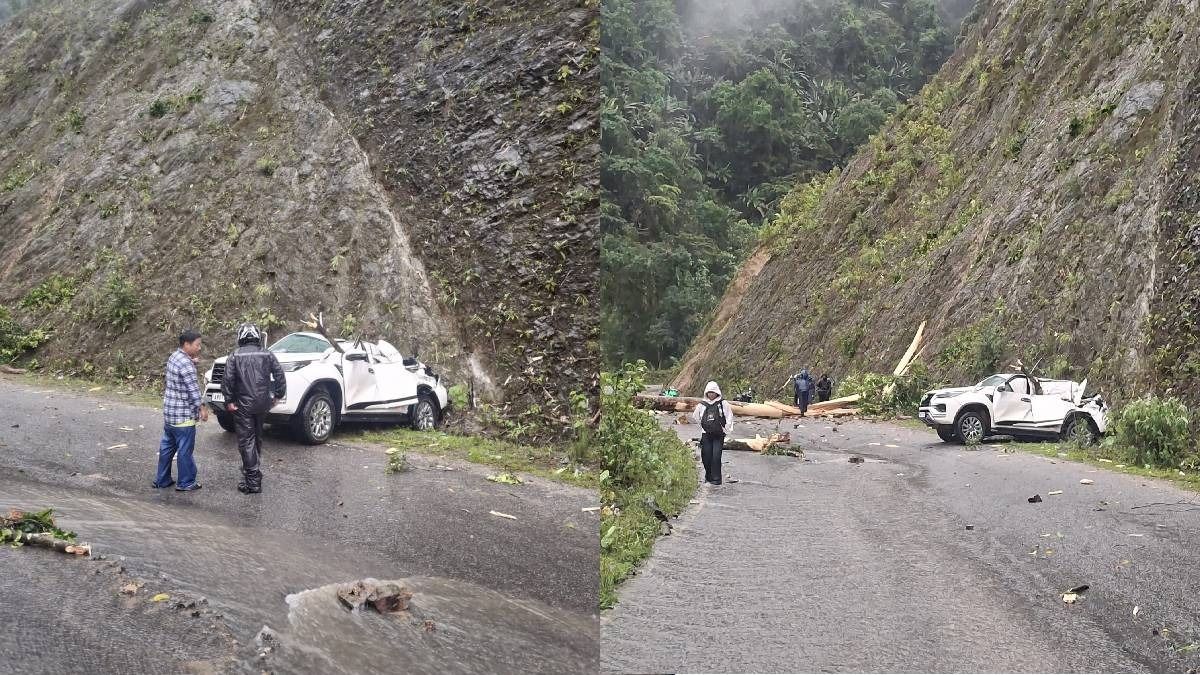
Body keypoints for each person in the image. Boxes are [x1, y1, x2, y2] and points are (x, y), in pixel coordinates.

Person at [220, 323, 285, 494]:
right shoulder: (267, 354)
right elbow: (279, 375)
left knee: (246, 441)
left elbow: (227, 380)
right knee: (257, 437)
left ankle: (253, 480)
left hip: (243, 405)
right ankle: (252, 471)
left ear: (240, 337)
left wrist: (229, 400)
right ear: (257, 337)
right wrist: (278, 395)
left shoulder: (235, 356)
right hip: (263, 404)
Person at [155, 329, 207, 491]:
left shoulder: (174, 357)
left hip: (170, 414)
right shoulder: (186, 364)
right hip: (183, 416)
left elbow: (182, 369)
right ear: (187, 344)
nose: (199, 347)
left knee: (167, 448)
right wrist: (203, 408)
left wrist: (193, 363)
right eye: (197, 345)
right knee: (185, 451)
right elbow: (193, 391)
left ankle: (161, 480)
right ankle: (186, 482)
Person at [690, 381, 734, 486]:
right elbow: (696, 416)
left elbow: (729, 417)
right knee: (706, 456)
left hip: (719, 434)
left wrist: (726, 430)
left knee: (716, 456)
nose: (711, 394)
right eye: (709, 392)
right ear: (706, 393)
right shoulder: (702, 405)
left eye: (713, 392)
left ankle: (716, 479)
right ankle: (708, 476)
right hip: (706, 434)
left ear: (717, 392)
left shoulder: (723, 404)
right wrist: (703, 426)